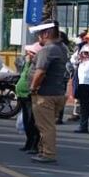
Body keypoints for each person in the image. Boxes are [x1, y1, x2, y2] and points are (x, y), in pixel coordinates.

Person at [29, 20, 70, 164]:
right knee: (47, 124)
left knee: (45, 126)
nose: (38, 37)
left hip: (45, 94)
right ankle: (43, 150)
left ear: (46, 33)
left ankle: (48, 153)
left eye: (40, 34)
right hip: (57, 92)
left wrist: (33, 88)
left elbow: (40, 72)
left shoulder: (48, 50)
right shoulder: (62, 48)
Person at [17, 42, 41, 153]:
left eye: (31, 52)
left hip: (29, 95)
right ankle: (28, 142)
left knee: (32, 121)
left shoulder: (36, 65)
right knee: (26, 121)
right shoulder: (28, 63)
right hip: (22, 95)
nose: (28, 54)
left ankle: (34, 144)